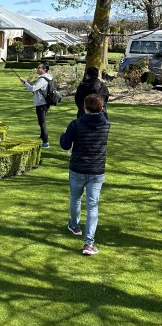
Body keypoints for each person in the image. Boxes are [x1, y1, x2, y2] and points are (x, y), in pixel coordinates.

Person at [60, 93, 111, 256]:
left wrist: (64, 134)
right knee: (92, 205)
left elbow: (65, 144)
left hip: (78, 168)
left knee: (76, 198)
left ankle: (75, 226)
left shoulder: (76, 124)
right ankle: (88, 243)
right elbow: (102, 115)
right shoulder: (106, 124)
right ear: (101, 108)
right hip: (96, 170)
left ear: (84, 107)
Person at [20, 62, 52, 148]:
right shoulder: (46, 78)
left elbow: (33, 88)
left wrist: (25, 82)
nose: (37, 69)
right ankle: (42, 136)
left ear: (44, 69)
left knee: (42, 123)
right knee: (41, 121)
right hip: (43, 103)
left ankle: (46, 142)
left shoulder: (43, 79)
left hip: (42, 104)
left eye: (39, 67)